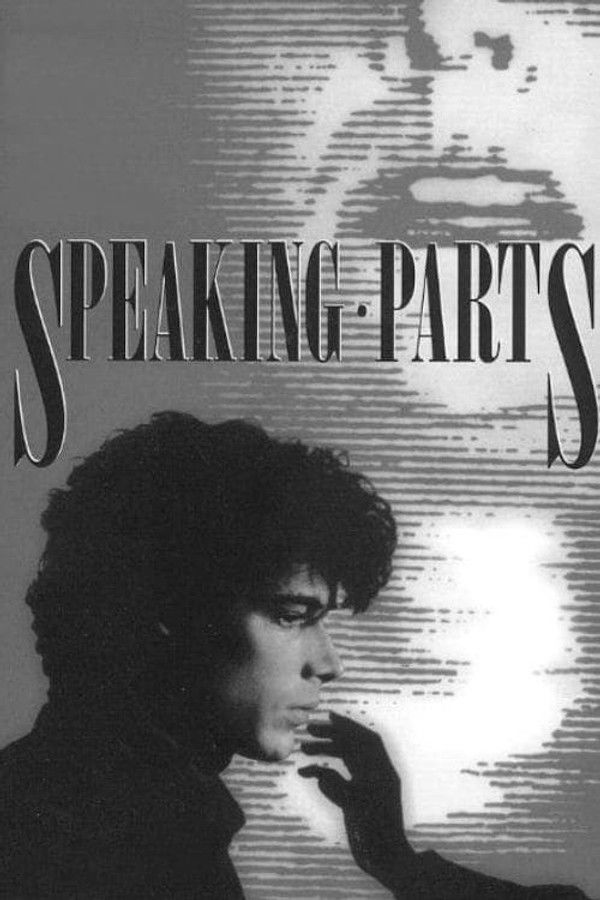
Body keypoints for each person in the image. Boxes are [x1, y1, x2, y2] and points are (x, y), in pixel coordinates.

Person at [0, 412, 592, 899]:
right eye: (291, 615)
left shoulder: (99, 808)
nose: (329, 665)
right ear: (169, 609)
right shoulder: (124, 848)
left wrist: (393, 859)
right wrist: (399, 866)